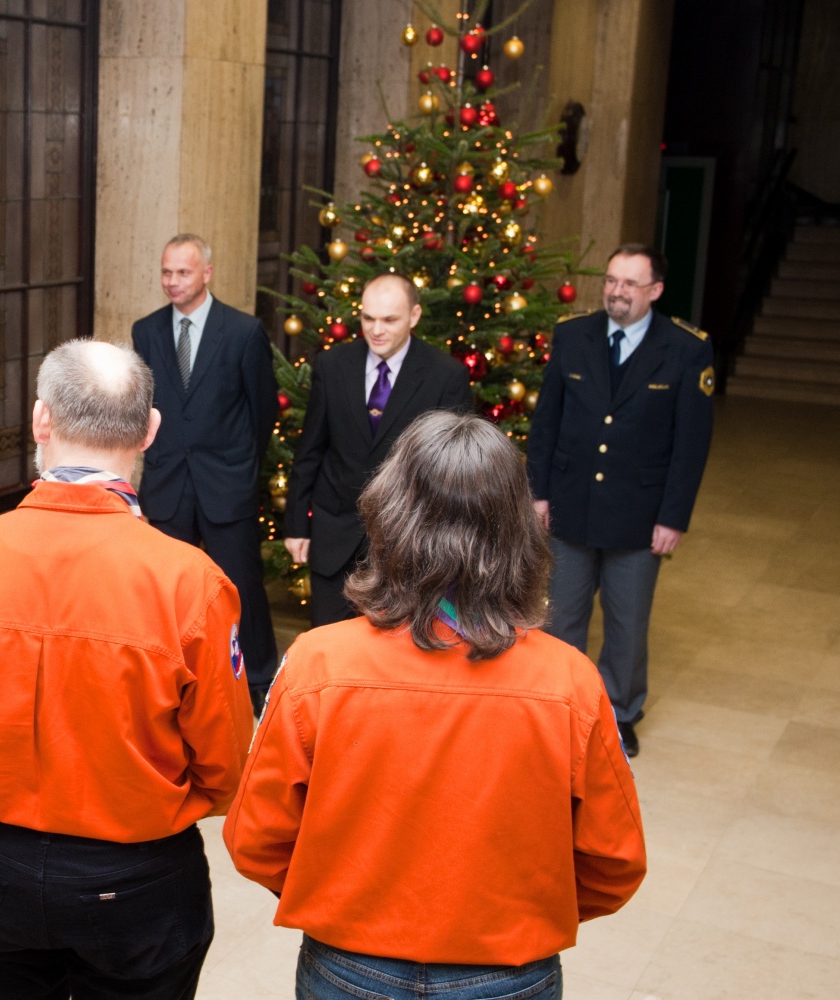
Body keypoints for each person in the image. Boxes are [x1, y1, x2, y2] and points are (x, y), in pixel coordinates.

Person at [224, 411, 647, 1000]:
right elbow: (614, 860)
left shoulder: (316, 664)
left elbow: (255, 837)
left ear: (387, 518)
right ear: (516, 531)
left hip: (350, 965)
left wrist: (340, 892)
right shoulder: (570, 682)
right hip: (508, 970)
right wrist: (514, 914)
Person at [0, 339, 254, 1000]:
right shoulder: (191, 584)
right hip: (136, 875)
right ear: (151, 432)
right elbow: (227, 763)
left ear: (41, 420)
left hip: (0, 865)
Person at [526, 244, 715, 757]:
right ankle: (559, 708)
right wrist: (538, 494)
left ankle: (619, 712)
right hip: (571, 504)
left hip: (639, 512)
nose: (617, 291)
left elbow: (690, 446)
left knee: (627, 622)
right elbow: (546, 424)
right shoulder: (573, 335)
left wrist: (673, 517)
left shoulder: (685, 348)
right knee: (562, 616)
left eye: (630, 284)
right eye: (612, 280)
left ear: (654, 290)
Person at [131, 233, 279, 712]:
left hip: (226, 484)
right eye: (166, 272)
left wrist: (238, 466)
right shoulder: (147, 330)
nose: (172, 282)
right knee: (167, 589)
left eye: (183, 272)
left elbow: (262, 413)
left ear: (207, 273)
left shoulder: (243, 331)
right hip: (169, 483)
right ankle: (168, 674)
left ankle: (257, 678)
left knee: (240, 586)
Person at [282, 272, 472, 626]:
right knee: (329, 646)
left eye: (389, 319)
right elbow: (311, 449)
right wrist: (296, 526)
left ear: (414, 316)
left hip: (407, 545)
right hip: (334, 536)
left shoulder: (445, 376)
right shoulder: (332, 365)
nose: (376, 329)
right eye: (368, 318)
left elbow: (453, 472)